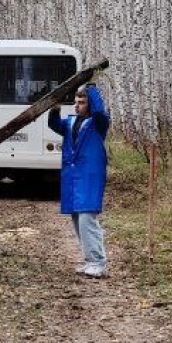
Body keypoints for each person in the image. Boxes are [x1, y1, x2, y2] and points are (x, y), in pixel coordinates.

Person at [46, 83, 111, 277]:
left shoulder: (99, 122)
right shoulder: (72, 122)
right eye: (76, 102)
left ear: (90, 104)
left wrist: (91, 88)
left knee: (86, 219)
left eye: (81, 102)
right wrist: (54, 108)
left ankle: (98, 262)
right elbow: (55, 124)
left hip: (90, 176)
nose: (77, 105)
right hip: (74, 177)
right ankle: (90, 260)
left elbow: (99, 110)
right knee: (77, 219)